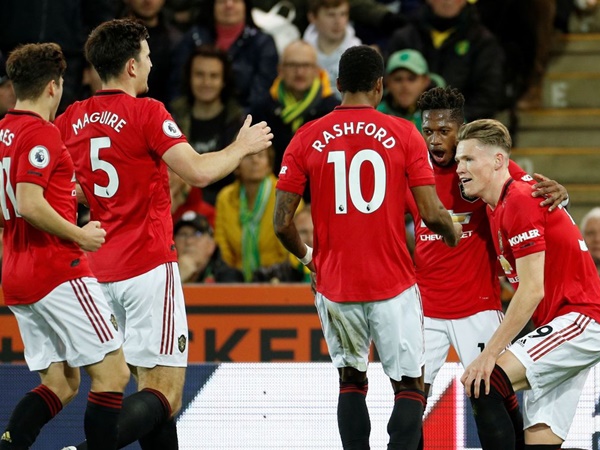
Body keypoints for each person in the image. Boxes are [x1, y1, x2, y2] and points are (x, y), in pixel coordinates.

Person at [55, 18, 272, 450]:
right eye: (148, 56)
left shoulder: (70, 119)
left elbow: (63, 190)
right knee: (165, 394)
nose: (152, 64)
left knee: (139, 387)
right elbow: (198, 172)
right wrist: (241, 147)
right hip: (147, 268)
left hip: (95, 274)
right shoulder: (147, 112)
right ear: (132, 66)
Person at [273, 45, 461, 450]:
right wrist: (453, 235)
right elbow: (431, 213)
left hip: (335, 284)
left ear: (338, 83)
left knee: (351, 381)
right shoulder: (404, 134)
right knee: (409, 385)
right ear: (380, 86)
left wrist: (310, 260)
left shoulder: (306, 137)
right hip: (392, 282)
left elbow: (281, 223)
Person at [410, 86, 568, 450]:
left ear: (461, 130)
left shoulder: (483, 169)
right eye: (428, 130)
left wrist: (563, 195)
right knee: (410, 400)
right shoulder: (414, 172)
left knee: (488, 394)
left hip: (478, 306)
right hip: (425, 310)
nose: (435, 139)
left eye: (444, 131)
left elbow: (533, 196)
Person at [0, 43, 130, 450]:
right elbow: (29, 202)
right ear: (53, 87)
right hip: (57, 270)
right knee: (114, 373)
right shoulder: (42, 133)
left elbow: (15, 201)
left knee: (61, 383)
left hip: (17, 273)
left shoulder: (4, 132)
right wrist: (79, 234)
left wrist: (64, 196)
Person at [455, 119, 600, 449]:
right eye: (458, 160)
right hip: (560, 324)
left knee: (484, 382)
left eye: (468, 159)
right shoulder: (498, 201)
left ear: (497, 162)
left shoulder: (519, 200)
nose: (459, 169)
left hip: (580, 319)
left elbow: (532, 290)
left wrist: (490, 354)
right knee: (539, 441)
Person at [386, 0, 505, 121]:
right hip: (401, 124)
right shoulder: (404, 37)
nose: (448, 1)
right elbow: (385, 87)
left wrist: (451, 121)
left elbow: (488, 97)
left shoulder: (483, 42)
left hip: (463, 126)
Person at [251, 39, 339, 175]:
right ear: (280, 69)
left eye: (306, 65)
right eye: (293, 65)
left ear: (317, 70)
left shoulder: (333, 111)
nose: (299, 72)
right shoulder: (262, 110)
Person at [170, 45, 245, 204]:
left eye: (214, 76)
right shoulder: (170, 119)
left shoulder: (239, 123)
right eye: (199, 74)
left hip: (227, 206)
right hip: (181, 206)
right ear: (189, 77)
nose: (206, 82)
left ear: (224, 81)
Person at [172, 0, 279, 110]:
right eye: (222, 1)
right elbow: (176, 86)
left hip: (247, 116)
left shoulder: (263, 44)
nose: (229, 5)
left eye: (236, 0)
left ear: (245, 6)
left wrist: (241, 118)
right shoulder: (192, 38)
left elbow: (262, 94)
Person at [215, 146, 291, 281]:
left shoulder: (286, 195)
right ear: (236, 164)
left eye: (261, 156)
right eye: (248, 156)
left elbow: (291, 248)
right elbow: (223, 247)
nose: (255, 161)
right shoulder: (225, 198)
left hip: (278, 278)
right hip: (237, 279)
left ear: (269, 164)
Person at [302, 0, 361, 99]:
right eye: (331, 15)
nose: (338, 22)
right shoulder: (300, 53)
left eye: (343, 14)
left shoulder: (358, 53)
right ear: (312, 17)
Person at [174, 211, 244, 282]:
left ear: (211, 244)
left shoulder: (228, 277)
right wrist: (178, 276)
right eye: (182, 235)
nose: (189, 241)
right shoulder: (167, 272)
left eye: (197, 234)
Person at [377, 49, 438, 131]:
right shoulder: (375, 116)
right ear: (387, 82)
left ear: (425, 81)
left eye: (411, 79)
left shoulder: (441, 118)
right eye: (398, 79)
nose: (404, 85)